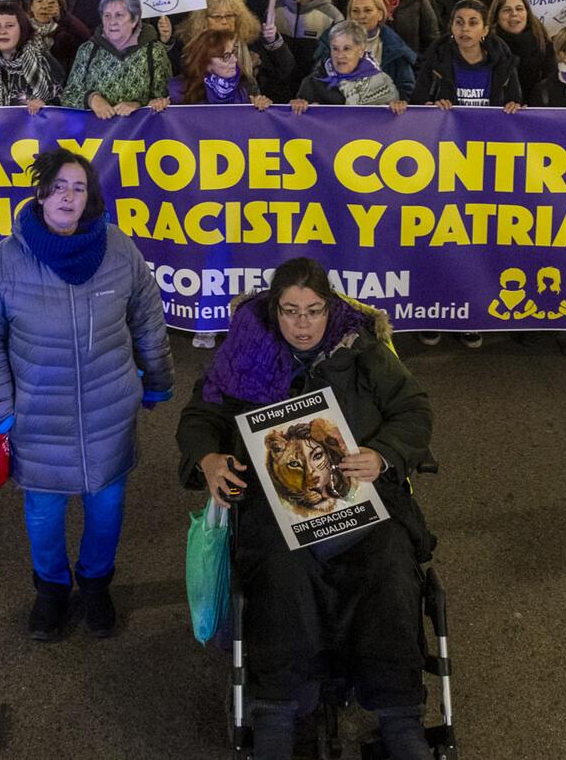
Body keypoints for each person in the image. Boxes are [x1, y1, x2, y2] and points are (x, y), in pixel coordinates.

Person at [176, 257, 435, 760]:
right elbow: (199, 416)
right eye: (290, 311)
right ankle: (278, 707)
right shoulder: (242, 353)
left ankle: (399, 713)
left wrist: (382, 454)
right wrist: (207, 458)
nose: (302, 324)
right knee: (280, 565)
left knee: (389, 562)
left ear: (329, 308)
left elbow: (414, 409)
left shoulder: (363, 349)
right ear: (275, 311)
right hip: (276, 503)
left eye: (313, 311)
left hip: (361, 494)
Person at [0, 147, 173, 641]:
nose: (68, 197)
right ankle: (52, 591)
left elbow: (147, 319)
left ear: (90, 198)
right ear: (40, 193)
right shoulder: (6, 260)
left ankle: (97, 585)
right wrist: (2, 411)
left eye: (78, 188)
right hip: (37, 417)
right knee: (43, 512)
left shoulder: (119, 249)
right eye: (59, 186)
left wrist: (159, 381)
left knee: (106, 509)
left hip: (110, 411)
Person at [63, 0, 171, 118]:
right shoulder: (87, 50)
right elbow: (68, 95)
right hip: (95, 134)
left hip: (140, 133)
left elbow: (164, 98)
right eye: (107, 15)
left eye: (119, 15)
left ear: (134, 19)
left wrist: (138, 105)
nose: (112, 22)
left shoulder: (154, 51)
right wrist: (92, 99)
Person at [413, 0, 524, 112]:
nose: (465, 29)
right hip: (448, 129)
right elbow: (417, 106)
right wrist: (432, 107)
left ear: (485, 30)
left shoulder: (503, 61)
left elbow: (515, 103)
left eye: (473, 23)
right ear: (451, 27)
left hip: (491, 129)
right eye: (459, 22)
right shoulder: (435, 59)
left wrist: (514, 106)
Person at [309, 0, 418, 99]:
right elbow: (316, 82)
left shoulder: (395, 47)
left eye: (368, 10)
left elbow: (406, 87)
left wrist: (397, 104)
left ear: (380, 14)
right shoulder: (330, 41)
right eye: (355, 11)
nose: (361, 16)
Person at [0, 0, 63, 112]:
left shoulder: (44, 61)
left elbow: (62, 102)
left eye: (9, 26)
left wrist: (46, 105)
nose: (2, 31)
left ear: (22, 29)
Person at [292, 20, 408, 109]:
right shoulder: (314, 82)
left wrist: (397, 108)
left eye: (347, 49)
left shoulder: (381, 82)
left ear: (361, 51)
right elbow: (296, 122)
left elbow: (393, 125)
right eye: (335, 49)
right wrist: (297, 106)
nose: (340, 55)